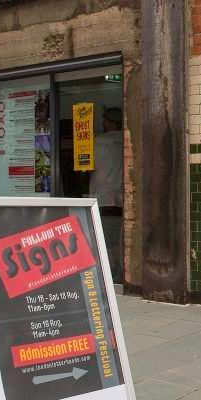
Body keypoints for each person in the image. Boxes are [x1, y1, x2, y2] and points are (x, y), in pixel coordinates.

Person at [91, 107, 124, 278]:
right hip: (121, 198)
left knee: (104, 238)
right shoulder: (125, 140)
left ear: (111, 122)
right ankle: (117, 269)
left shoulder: (98, 142)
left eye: (105, 120)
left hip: (102, 198)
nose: (102, 123)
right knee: (118, 237)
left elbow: (87, 167)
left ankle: (109, 272)